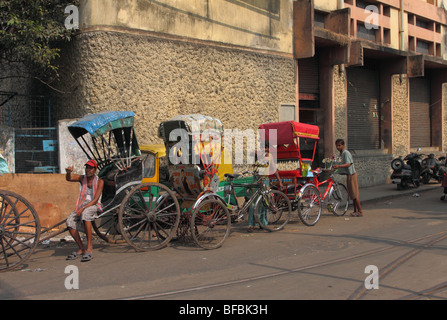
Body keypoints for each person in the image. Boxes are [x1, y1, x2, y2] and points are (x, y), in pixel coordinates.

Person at [65, 160, 104, 262]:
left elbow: (95, 199)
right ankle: (81, 248)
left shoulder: (100, 181)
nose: (88, 170)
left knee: (86, 214)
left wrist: (83, 208)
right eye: (86, 168)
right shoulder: (82, 178)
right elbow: (69, 178)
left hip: (94, 205)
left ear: (95, 170)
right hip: (82, 204)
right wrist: (68, 172)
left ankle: (89, 246)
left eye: (90, 168)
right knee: (69, 222)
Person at [247, 142, 284, 232]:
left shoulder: (270, 156)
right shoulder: (257, 155)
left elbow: (274, 169)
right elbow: (251, 153)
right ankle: (251, 224)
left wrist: (279, 181)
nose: (265, 149)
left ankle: (262, 223)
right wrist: (259, 152)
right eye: (264, 147)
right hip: (256, 180)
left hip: (265, 181)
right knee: (253, 203)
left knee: (265, 202)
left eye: (267, 148)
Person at [332, 139, 363, 217]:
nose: (338, 147)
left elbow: (348, 164)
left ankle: (360, 211)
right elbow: (339, 163)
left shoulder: (346, 153)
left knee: (355, 194)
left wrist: (338, 166)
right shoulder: (341, 154)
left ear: (343, 145)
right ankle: (355, 211)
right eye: (336, 145)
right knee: (352, 194)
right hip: (348, 175)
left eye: (339, 145)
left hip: (352, 175)